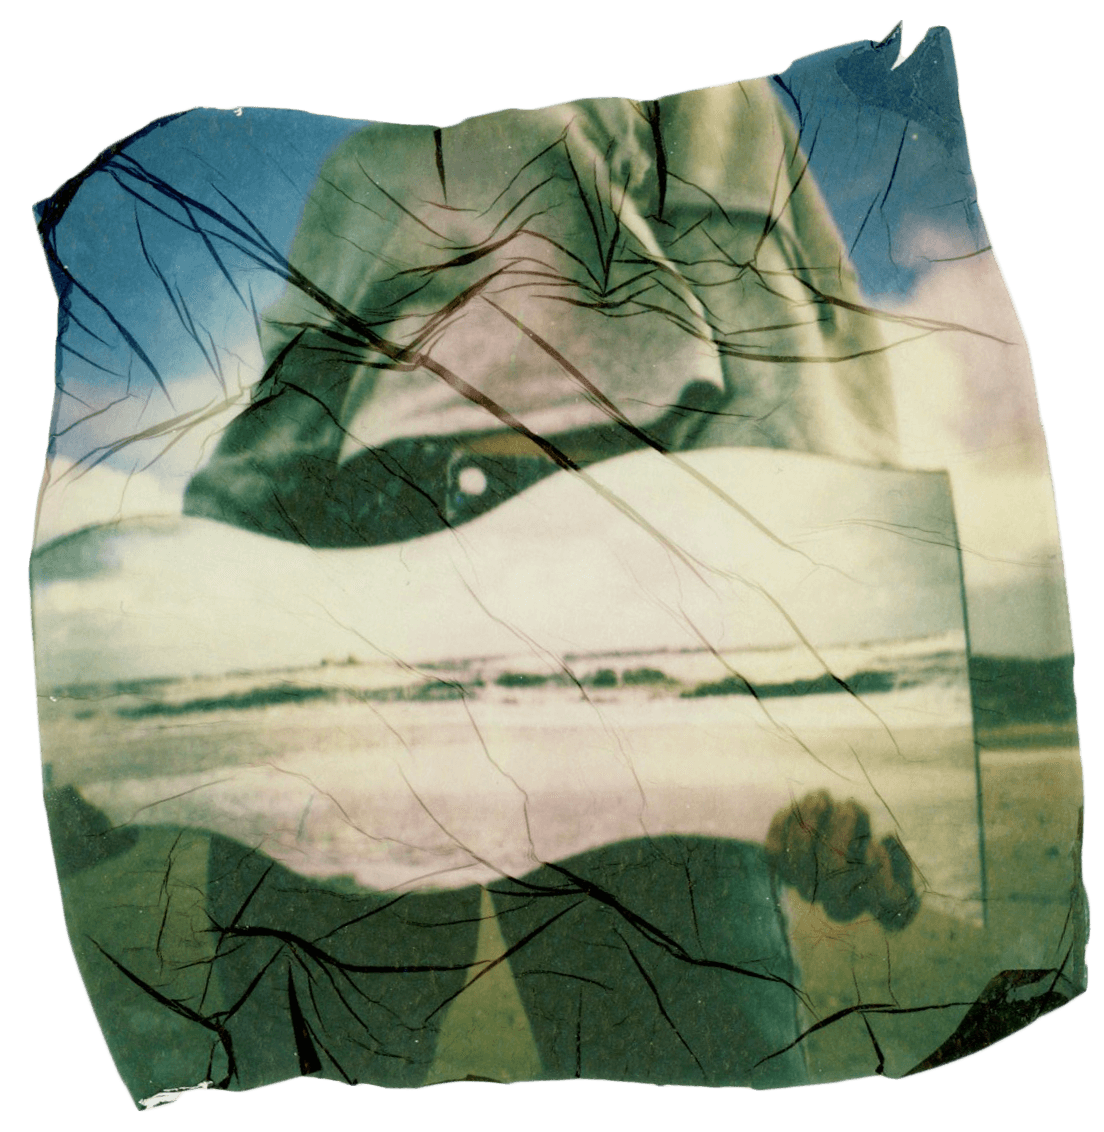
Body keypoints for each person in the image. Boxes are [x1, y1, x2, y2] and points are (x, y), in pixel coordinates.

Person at [165, 74, 915, 1088]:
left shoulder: (707, 95)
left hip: (603, 573)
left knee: (682, 1053)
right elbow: (286, 420)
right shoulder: (368, 148)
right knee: (300, 1060)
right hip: (390, 564)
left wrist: (841, 725)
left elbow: (784, 380)